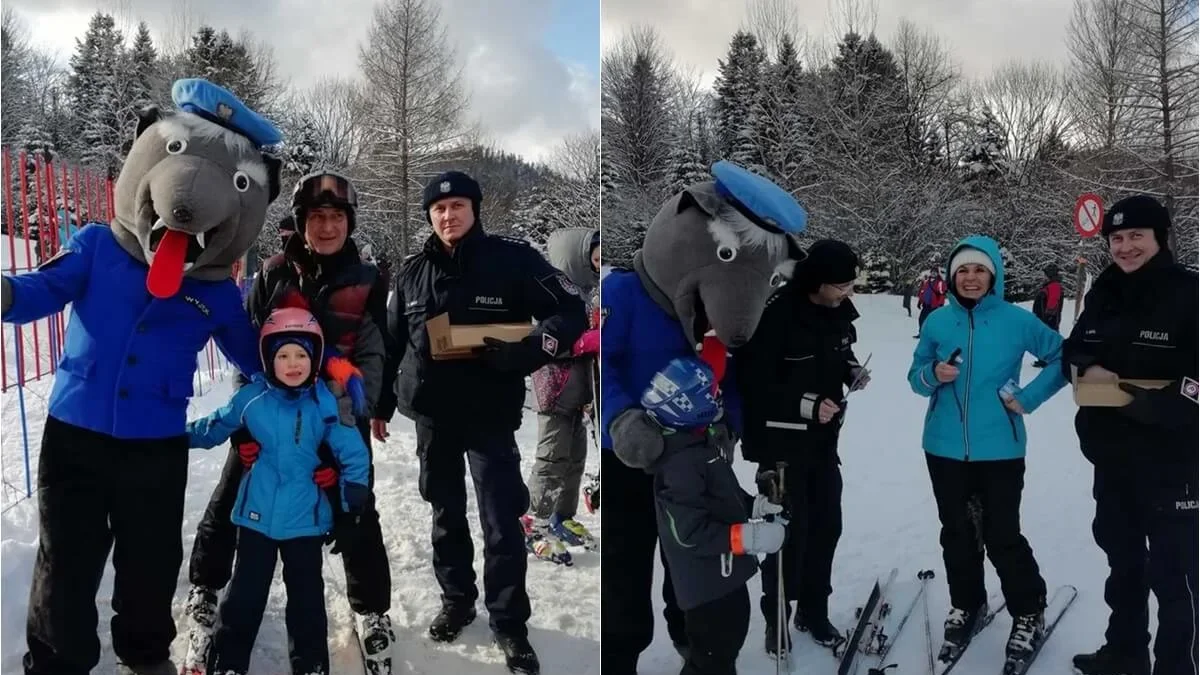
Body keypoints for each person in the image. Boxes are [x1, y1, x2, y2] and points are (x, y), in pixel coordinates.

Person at [374, 170, 586, 675]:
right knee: (445, 516)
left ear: (475, 210)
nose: (448, 217)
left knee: (502, 521)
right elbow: (391, 342)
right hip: (433, 416)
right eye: (439, 210)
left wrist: (529, 352)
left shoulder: (512, 260)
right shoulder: (411, 272)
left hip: (490, 415)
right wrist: (380, 406)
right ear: (430, 216)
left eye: (458, 208)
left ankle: (509, 623)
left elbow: (571, 309)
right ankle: (457, 600)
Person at [184, 170, 396, 671]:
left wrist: (340, 419)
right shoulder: (275, 272)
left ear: (349, 222)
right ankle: (206, 587)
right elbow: (249, 353)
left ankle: (371, 610)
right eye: (316, 217)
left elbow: (372, 355)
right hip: (270, 416)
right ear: (301, 224)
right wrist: (244, 424)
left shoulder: (366, 279)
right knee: (233, 492)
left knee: (358, 510)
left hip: (336, 414)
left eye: (336, 217)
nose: (327, 227)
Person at [907, 235, 1067, 665]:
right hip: (942, 446)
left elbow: (1062, 358)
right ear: (951, 276)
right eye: (964, 270)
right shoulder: (938, 322)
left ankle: (1028, 610)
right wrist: (932, 375)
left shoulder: (1016, 321)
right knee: (957, 532)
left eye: (980, 270)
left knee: (1001, 534)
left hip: (1000, 449)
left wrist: (1028, 400)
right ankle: (968, 603)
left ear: (993, 274)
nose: (971, 278)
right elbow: (914, 375)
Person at [186, 307, 371, 675]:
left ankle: (311, 663)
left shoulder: (324, 403)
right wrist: (168, 438)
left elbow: (353, 452)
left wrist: (353, 501)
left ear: (315, 358)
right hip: (256, 518)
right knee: (245, 595)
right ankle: (229, 660)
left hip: (306, 520)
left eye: (301, 354)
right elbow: (214, 426)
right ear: (268, 359)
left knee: (306, 599)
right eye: (282, 355)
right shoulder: (252, 398)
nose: (292, 364)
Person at [1062, 195, 1198, 675]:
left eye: (1135, 236)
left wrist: (1158, 405)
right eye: (1116, 238)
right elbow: (1073, 349)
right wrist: (1082, 364)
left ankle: (1177, 668)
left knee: (1174, 576)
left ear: (1160, 238)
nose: (1124, 246)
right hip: (1113, 460)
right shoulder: (1105, 290)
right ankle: (1125, 653)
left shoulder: (1189, 293)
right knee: (1123, 566)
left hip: (1172, 463)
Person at [736, 239, 868, 656]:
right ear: (817, 281)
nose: (847, 293)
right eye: (840, 286)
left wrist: (851, 371)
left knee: (826, 527)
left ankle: (814, 609)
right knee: (786, 535)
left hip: (823, 444)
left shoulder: (837, 311)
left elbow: (839, 351)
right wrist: (807, 404)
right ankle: (776, 619)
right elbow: (753, 383)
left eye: (850, 285)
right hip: (780, 446)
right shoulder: (775, 314)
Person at [641, 356, 786, 675]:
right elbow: (688, 532)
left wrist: (754, 507)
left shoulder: (700, 446)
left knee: (724, 651)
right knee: (711, 659)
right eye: (711, 392)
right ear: (687, 404)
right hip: (706, 588)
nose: (718, 396)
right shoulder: (679, 465)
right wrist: (748, 537)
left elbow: (723, 498)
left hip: (724, 579)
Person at [524, 228, 600, 563]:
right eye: (595, 259)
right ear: (578, 258)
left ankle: (562, 515)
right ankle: (533, 523)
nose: (599, 266)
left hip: (578, 389)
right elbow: (540, 338)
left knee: (574, 458)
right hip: (555, 386)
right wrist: (582, 342)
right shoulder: (548, 294)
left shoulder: (586, 294)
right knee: (552, 458)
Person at [1031, 265, 1064, 368]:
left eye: (1045, 274)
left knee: (1048, 339)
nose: (1043, 276)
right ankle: (1043, 359)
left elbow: (1052, 302)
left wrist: (1048, 317)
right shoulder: (1050, 285)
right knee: (1044, 339)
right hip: (1044, 318)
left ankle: (1048, 360)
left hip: (1049, 320)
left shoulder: (1054, 286)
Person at [917, 267, 947, 332]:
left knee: (933, 321)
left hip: (934, 306)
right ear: (930, 273)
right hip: (926, 305)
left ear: (937, 273)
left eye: (935, 272)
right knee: (921, 319)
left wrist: (941, 304)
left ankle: (933, 335)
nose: (933, 273)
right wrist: (920, 301)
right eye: (932, 272)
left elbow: (942, 294)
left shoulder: (940, 282)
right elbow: (922, 291)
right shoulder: (926, 282)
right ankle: (922, 333)